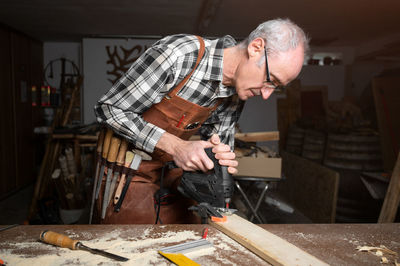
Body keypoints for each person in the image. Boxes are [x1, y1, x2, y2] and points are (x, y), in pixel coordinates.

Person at [94, 18, 309, 224]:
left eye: (275, 88)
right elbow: (109, 109)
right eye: (270, 81)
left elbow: (219, 147)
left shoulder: (236, 93)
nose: (265, 95)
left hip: (168, 170)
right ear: (256, 47)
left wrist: (219, 164)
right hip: (123, 171)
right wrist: (177, 147)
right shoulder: (179, 55)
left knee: (194, 235)